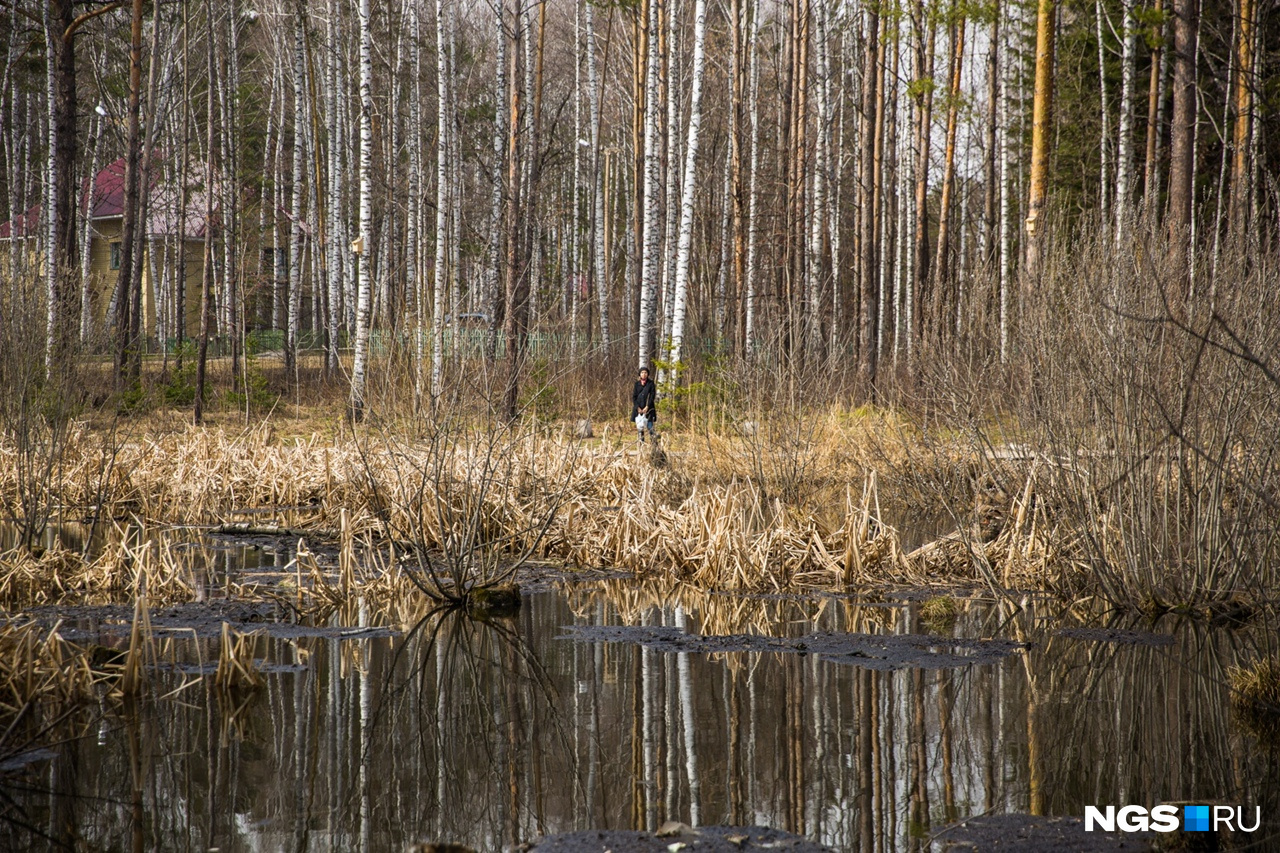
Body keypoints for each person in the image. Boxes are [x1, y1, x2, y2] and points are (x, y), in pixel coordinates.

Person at [631, 366, 657, 442]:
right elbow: (634, 397)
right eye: (642, 372)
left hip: (648, 409)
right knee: (640, 428)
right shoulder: (637, 384)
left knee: (650, 427)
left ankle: (654, 444)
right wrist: (637, 407)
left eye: (645, 372)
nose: (644, 374)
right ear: (639, 374)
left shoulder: (651, 383)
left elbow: (652, 396)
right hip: (639, 409)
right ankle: (642, 444)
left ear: (648, 374)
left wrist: (647, 406)